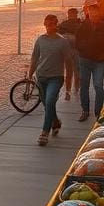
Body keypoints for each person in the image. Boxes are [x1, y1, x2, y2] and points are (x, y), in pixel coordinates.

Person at [27, 14, 72, 145]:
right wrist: (30, 75)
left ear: (56, 24)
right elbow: (35, 58)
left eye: (51, 24)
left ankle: (44, 132)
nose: (48, 27)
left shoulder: (62, 42)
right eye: (46, 25)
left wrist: (68, 88)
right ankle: (56, 122)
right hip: (41, 77)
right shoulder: (40, 40)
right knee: (48, 105)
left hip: (56, 78)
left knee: (50, 100)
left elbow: (69, 64)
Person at [75, 0, 104, 122]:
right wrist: (83, 48)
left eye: (95, 11)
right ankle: (85, 110)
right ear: (88, 12)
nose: (93, 14)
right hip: (85, 60)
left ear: (98, 12)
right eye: (91, 11)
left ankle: (98, 112)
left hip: (99, 61)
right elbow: (77, 41)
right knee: (84, 86)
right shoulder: (83, 26)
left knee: (98, 86)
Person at [58, 8, 82, 101]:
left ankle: (69, 92)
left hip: (69, 51)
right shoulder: (80, 24)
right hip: (76, 51)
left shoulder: (63, 24)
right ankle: (76, 91)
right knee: (76, 72)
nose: (72, 16)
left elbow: (58, 35)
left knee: (69, 73)